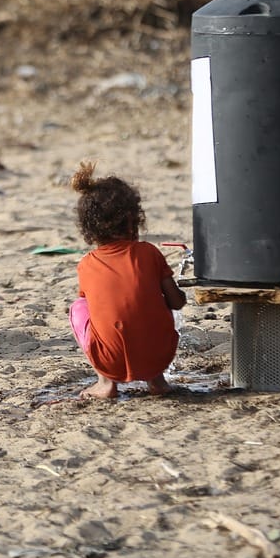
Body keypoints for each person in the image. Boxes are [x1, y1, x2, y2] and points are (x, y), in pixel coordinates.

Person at [68, 161, 186, 399]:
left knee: (79, 307)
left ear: (89, 228)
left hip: (110, 360)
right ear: (133, 220)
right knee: (148, 301)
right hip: (159, 355)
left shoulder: (87, 264)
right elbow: (176, 303)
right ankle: (158, 382)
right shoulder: (149, 252)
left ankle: (106, 383)